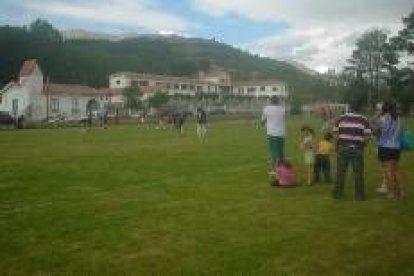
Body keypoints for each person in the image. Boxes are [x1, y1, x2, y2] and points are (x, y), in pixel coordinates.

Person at [332, 102, 372, 200]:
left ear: (349, 108)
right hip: (357, 149)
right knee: (358, 173)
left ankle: (338, 194)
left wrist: (337, 146)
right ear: (360, 108)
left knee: (340, 172)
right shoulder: (364, 120)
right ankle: (359, 196)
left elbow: (335, 135)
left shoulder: (340, 118)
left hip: (343, 148)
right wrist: (362, 146)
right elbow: (367, 137)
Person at [375, 100, 402, 199]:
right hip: (396, 147)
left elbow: (377, 131)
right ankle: (400, 191)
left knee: (388, 171)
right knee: (396, 170)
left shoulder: (383, 118)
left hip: (385, 147)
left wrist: (376, 119)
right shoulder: (398, 118)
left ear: (385, 107)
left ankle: (393, 193)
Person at [262, 96, 286, 169]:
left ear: (270, 101)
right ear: (278, 101)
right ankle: (282, 169)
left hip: (272, 134)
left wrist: (264, 122)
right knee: (281, 153)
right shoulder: (282, 109)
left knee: (274, 154)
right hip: (281, 133)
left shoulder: (266, 109)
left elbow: (262, 122)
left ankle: (276, 170)